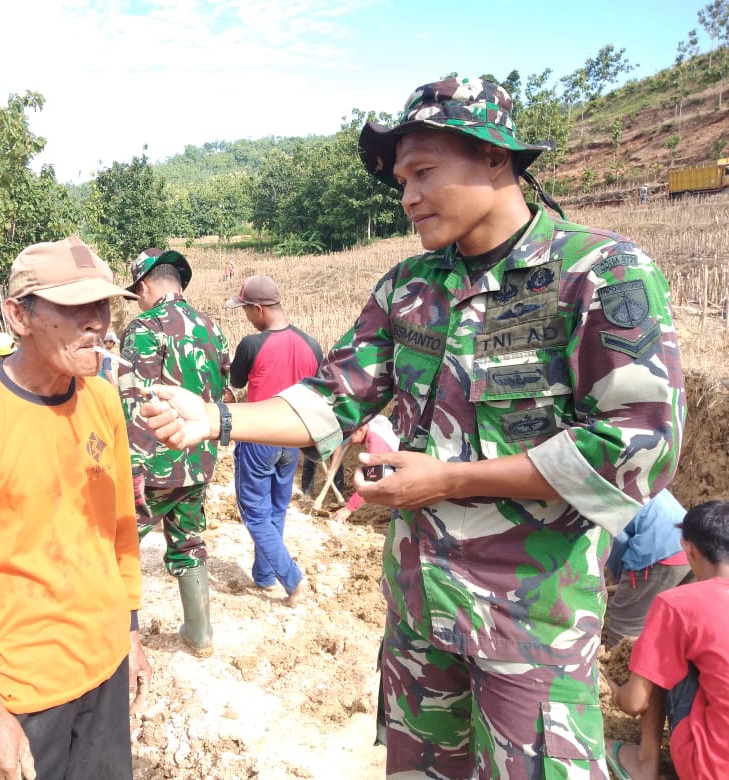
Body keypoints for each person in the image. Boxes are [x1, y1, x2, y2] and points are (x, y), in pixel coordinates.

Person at [137, 76, 685, 777]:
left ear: (495, 158)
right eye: (401, 180)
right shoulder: (410, 288)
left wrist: (448, 479)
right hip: (420, 619)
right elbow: (335, 396)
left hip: (530, 631)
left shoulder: (598, 274)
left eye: (423, 172)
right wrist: (215, 416)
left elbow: (640, 444)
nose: (407, 197)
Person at [0, 236, 151, 780]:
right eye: (74, 308)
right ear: (19, 316)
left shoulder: (102, 399)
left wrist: (132, 632)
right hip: (21, 689)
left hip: (105, 668)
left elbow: (119, 528)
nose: (97, 322)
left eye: (102, 305)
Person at [116, 248, 230, 657]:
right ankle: (200, 634)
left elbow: (129, 402)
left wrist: (130, 465)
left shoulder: (144, 327)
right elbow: (223, 395)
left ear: (144, 286)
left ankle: (111, 640)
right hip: (199, 460)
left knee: (117, 547)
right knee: (189, 541)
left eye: (136, 293)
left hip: (153, 466)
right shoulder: (213, 328)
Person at [605, 500, 729, 780]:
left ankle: (644, 763)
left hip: (710, 769)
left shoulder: (675, 605)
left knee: (656, 651)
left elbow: (635, 703)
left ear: (689, 548)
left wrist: (616, 692)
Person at [224, 275, 322, 605]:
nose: (246, 317)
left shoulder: (253, 345)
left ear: (257, 309)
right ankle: (265, 574)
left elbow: (236, 380)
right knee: (277, 508)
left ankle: (292, 580)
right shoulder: (311, 344)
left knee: (254, 513)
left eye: (246, 311)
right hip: (292, 439)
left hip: (258, 436)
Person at [605, 489, 694, 647]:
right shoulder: (645, 480)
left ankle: (621, 667)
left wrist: (621, 579)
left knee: (625, 622)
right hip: (692, 549)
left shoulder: (603, 493)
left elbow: (615, 540)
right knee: (674, 621)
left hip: (657, 553)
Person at [331, 415, 399, 523]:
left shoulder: (377, 445)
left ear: (361, 429)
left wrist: (348, 509)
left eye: (349, 437)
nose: (349, 442)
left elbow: (370, 481)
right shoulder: (368, 422)